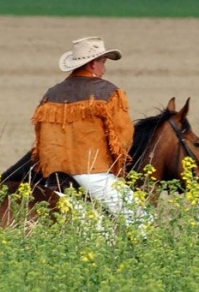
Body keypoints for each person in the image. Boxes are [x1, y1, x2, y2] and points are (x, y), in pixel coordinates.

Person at [31, 36, 149, 227]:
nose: (104, 68)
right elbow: (123, 138)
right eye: (103, 62)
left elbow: (40, 140)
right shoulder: (109, 92)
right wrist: (118, 167)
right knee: (142, 222)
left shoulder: (50, 94)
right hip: (95, 175)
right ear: (93, 64)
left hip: (54, 178)